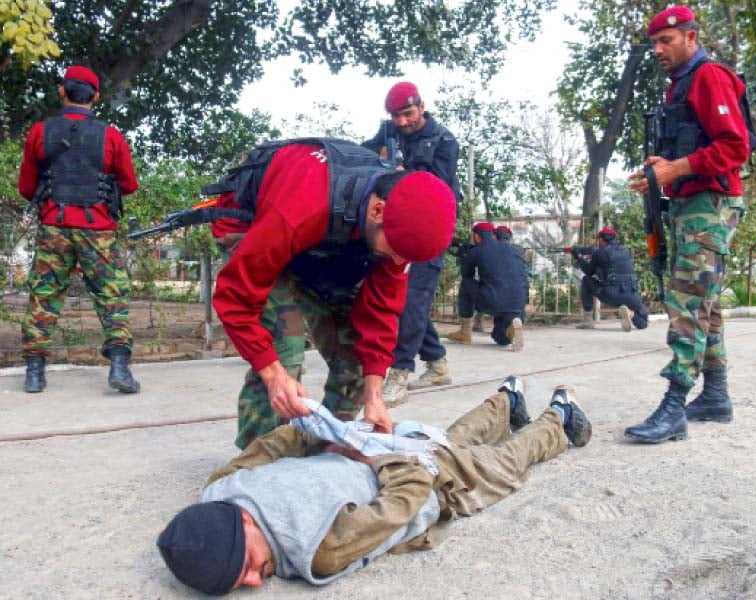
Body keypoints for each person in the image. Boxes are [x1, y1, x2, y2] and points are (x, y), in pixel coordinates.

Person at [156, 375, 592, 593]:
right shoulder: (222, 490)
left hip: (407, 468)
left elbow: (408, 497)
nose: (255, 581)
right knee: (452, 439)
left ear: (244, 522)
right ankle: (507, 398)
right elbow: (281, 440)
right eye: (242, 582)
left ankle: (559, 417)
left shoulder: (318, 548)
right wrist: (335, 437)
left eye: (246, 564)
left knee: (502, 465)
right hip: (377, 446)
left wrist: (373, 454)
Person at [210, 139, 456, 449]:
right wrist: (273, 375)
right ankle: (256, 458)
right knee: (285, 346)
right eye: (395, 252)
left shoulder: (398, 233)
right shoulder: (302, 204)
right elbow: (236, 296)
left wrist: (374, 397)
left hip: (317, 247)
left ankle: (328, 446)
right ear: (378, 211)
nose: (397, 263)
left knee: (356, 358)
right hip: (253, 228)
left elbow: (380, 314)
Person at [626, 5, 750, 442]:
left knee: (687, 300)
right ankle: (715, 396)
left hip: (709, 204)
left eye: (667, 41)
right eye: (655, 42)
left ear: (691, 38)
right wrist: (665, 167)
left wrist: (677, 170)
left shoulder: (708, 76)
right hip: (692, 203)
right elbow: (695, 148)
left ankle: (674, 405)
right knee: (706, 302)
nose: (659, 49)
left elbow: (736, 147)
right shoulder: (680, 86)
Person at [18, 66, 140, 394]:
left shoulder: (39, 133)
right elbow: (129, 184)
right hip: (97, 229)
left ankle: (34, 372)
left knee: (44, 294)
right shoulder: (110, 135)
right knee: (111, 295)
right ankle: (119, 368)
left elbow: (26, 186)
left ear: (63, 91)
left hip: (54, 227)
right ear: (96, 96)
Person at [362, 81, 461, 407]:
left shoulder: (444, 141)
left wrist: (402, 171)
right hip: (395, 227)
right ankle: (437, 362)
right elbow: (366, 153)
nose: (402, 122)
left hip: (430, 228)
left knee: (412, 299)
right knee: (407, 299)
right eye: (395, 116)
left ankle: (400, 371)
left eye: (407, 114)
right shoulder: (388, 133)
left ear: (421, 106)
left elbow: (438, 186)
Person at [446, 222, 527, 351]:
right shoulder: (513, 250)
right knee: (500, 338)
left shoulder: (477, 250)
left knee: (466, 284)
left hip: (494, 301)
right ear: (493, 236)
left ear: (476, 236)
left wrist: (465, 257)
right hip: (517, 306)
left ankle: (465, 332)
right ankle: (510, 332)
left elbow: (467, 275)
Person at [572, 227, 649, 332]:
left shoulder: (600, 253)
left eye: (598, 240)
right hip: (632, 295)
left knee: (586, 280)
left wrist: (579, 257)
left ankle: (588, 321)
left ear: (602, 240)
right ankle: (631, 314)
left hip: (612, 295)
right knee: (643, 323)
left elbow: (589, 271)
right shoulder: (626, 251)